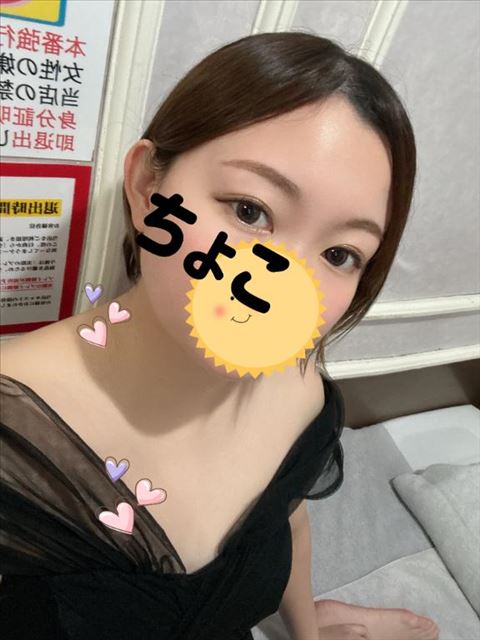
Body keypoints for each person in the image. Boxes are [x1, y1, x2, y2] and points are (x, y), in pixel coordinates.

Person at [0, 31, 439, 640]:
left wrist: (308, 632)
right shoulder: (12, 431)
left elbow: (286, 520)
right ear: (147, 187)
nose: (283, 289)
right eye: (250, 210)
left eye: (340, 253)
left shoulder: (301, 393)